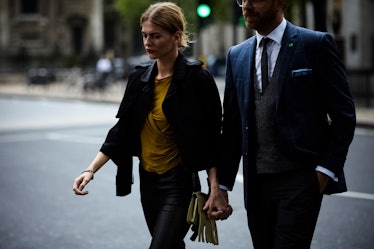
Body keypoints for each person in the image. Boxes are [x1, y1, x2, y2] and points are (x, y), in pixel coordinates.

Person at [73, 2, 230, 249]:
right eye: (145, 35)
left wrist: (215, 189)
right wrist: (90, 170)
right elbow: (121, 132)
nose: (148, 42)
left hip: (179, 184)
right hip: (148, 183)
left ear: (176, 36)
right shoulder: (139, 78)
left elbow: (212, 137)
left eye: (156, 36)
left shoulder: (197, 80)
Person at [219, 0, 356, 248]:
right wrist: (222, 185)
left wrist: (324, 172)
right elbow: (231, 127)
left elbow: (344, 115)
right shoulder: (236, 55)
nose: (246, 5)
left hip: (300, 180)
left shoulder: (315, 44)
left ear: (280, 2)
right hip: (256, 184)